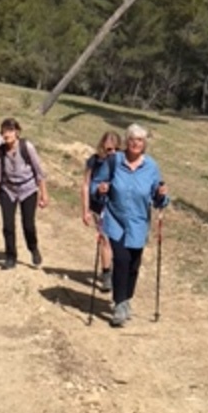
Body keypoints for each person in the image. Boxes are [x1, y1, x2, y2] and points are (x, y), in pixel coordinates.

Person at [97, 124, 169, 328]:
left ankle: (126, 298)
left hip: (138, 222)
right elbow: (97, 184)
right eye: (132, 139)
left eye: (140, 140)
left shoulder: (151, 167)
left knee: (133, 265)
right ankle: (119, 304)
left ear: (144, 144)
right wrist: (100, 189)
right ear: (126, 141)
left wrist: (161, 195)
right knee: (121, 259)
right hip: (116, 220)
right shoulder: (114, 161)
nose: (135, 143)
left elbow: (158, 198)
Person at [0, 118, 49, 269]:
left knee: (28, 225)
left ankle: (33, 248)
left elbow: (39, 171)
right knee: (8, 226)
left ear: (17, 132)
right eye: (3, 131)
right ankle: (10, 256)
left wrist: (44, 194)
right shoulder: (0, 151)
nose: (6, 134)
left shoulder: (26, 147)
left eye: (10, 131)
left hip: (28, 189)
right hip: (8, 190)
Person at [81, 131, 121, 292]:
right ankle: (106, 275)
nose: (112, 153)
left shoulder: (123, 162)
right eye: (109, 149)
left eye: (116, 149)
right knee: (105, 239)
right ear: (102, 147)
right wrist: (85, 210)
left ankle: (117, 271)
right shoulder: (94, 161)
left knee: (117, 241)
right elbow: (85, 185)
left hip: (117, 206)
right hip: (98, 205)